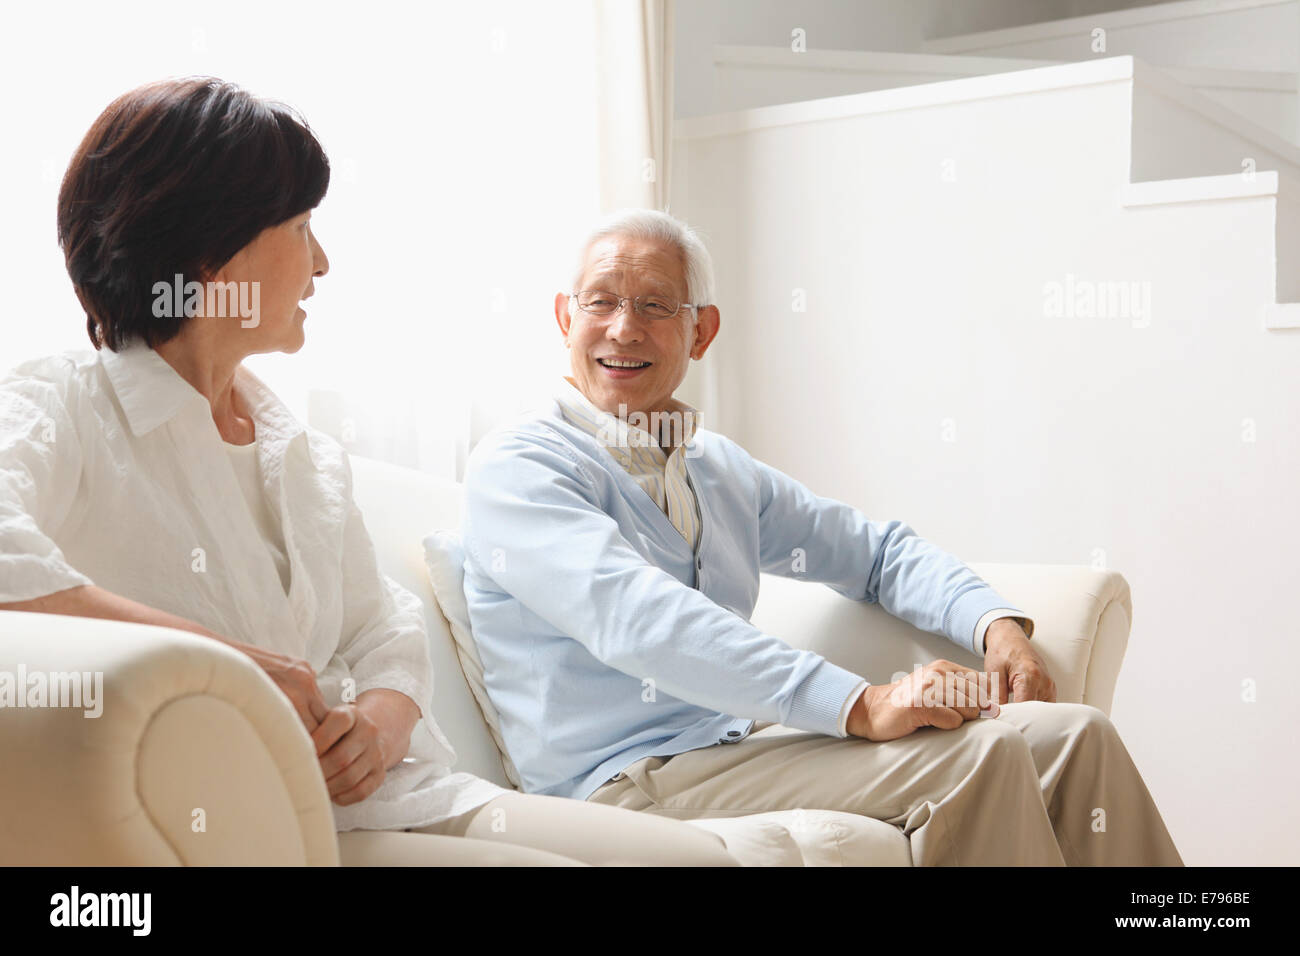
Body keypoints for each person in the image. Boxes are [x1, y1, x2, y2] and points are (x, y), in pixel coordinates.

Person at [0, 79, 736, 867]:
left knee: (702, 862)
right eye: (301, 226)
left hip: (400, 797)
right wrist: (225, 665)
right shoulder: (64, 405)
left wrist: (383, 722)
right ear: (211, 250)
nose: (321, 261)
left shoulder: (303, 452)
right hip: (255, 825)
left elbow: (384, 626)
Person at [459, 207, 1185, 866]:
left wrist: (994, 623)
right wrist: (861, 703)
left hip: (732, 751)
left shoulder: (716, 469)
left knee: (1076, 736)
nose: (623, 328)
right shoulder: (521, 465)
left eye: (654, 306)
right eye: (601, 302)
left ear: (701, 331)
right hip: (623, 782)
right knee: (984, 751)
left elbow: (874, 553)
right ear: (564, 316)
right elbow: (636, 618)